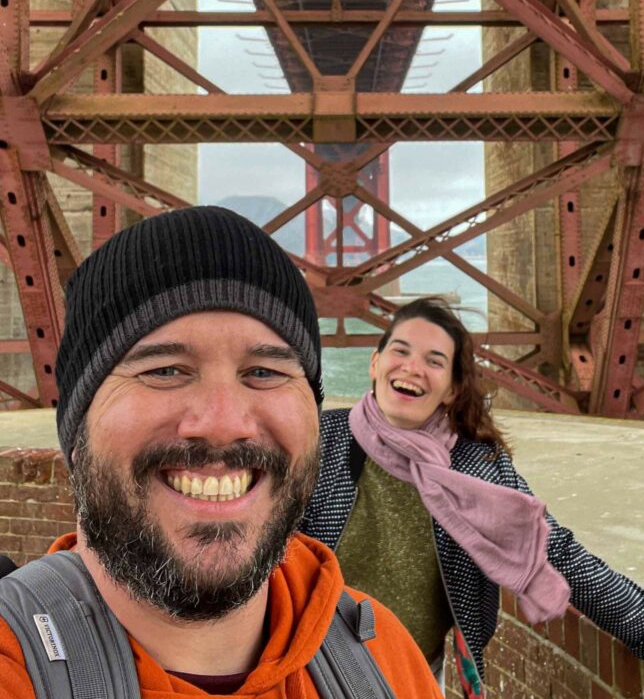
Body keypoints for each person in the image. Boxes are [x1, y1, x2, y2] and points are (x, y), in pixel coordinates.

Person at [0, 207, 448, 699]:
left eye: (264, 372)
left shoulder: (383, 654)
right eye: (165, 370)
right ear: (77, 423)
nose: (223, 423)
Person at [301, 296, 644, 698]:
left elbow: (556, 551)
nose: (412, 367)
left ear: (452, 390)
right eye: (400, 351)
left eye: (434, 360)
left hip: (412, 674)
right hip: (306, 666)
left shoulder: (477, 468)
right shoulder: (319, 441)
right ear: (375, 364)